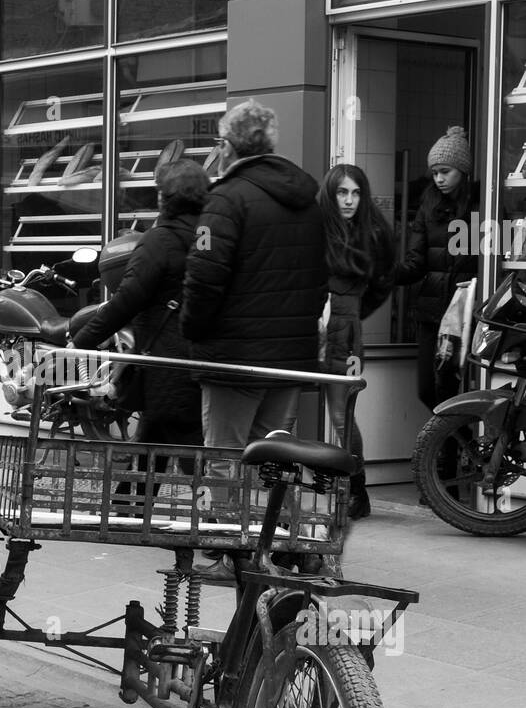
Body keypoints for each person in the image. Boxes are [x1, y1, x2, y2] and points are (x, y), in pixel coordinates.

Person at [180, 99, 327, 449]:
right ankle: (267, 508)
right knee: (270, 457)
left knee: (223, 456)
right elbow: (321, 277)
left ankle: (223, 508)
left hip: (233, 358)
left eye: (220, 143)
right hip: (289, 359)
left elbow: (203, 277)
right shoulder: (307, 200)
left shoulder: (225, 200)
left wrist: (193, 332)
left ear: (228, 146)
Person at [71, 157, 207, 449]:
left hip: (167, 368)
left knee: (192, 460)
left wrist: (81, 340)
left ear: (165, 197)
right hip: (203, 362)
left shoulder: (159, 241)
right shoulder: (210, 237)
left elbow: (126, 301)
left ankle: (212, 496)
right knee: (151, 453)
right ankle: (126, 498)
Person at [318, 165, 396, 521]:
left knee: (342, 417)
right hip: (308, 331)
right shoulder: (315, 229)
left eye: (355, 193)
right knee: (283, 411)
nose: (349, 200)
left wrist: (351, 316)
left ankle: (356, 491)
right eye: (342, 192)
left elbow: (383, 283)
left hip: (346, 335)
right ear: (331, 194)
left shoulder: (373, 234)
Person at [393, 126, 478, 413]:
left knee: (452, 389)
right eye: (435, 172)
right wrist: (387, 273)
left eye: (445, 171)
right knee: (427, 390)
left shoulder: (481, 208)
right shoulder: (428, 205)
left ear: (462, 171)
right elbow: (415, 262)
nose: (439, 179)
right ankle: (453, 446)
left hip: (466, 314)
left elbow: (494, 257)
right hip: (432, 313)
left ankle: (448, 457)